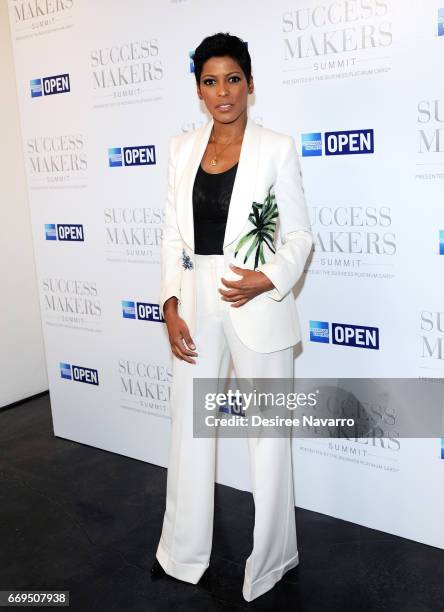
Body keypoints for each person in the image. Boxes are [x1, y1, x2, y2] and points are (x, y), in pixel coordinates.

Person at [151, 32, 313, 602]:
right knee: (188, 435)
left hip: (257, 303)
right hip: (195, 306)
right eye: (210, 81)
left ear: (249, 81)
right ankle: (180, 553)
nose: (223, 92)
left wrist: (267, 278)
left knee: (269, 437)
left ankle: (273, 559)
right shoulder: (180, 149)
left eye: (233, 79)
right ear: (198, 88)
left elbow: (297, 235)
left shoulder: (276, 148)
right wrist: (170, 304)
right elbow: (172, 235)